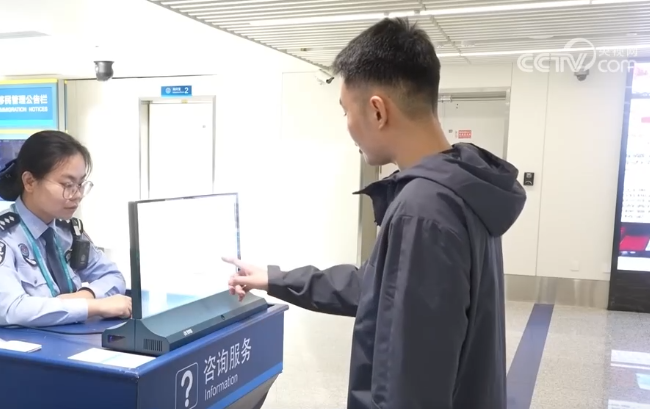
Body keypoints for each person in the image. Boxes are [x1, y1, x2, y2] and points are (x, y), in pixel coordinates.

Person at [223, 18, 526, 409]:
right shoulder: (461, 185)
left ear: (377, 111)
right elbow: (377, 287)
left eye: (346, 111)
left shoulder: (423, 210)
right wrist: (274, 278)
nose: (348, 126)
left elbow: (410, 388)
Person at [0, 130, 131, 329]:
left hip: (66, 339)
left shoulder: (68, 232)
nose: (77, 194)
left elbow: (113, 276)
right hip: (14, 345)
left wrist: (85, 295)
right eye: (67, 184)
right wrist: (93, 306)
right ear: (29, 182)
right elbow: (11, 310)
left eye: (80, 184)